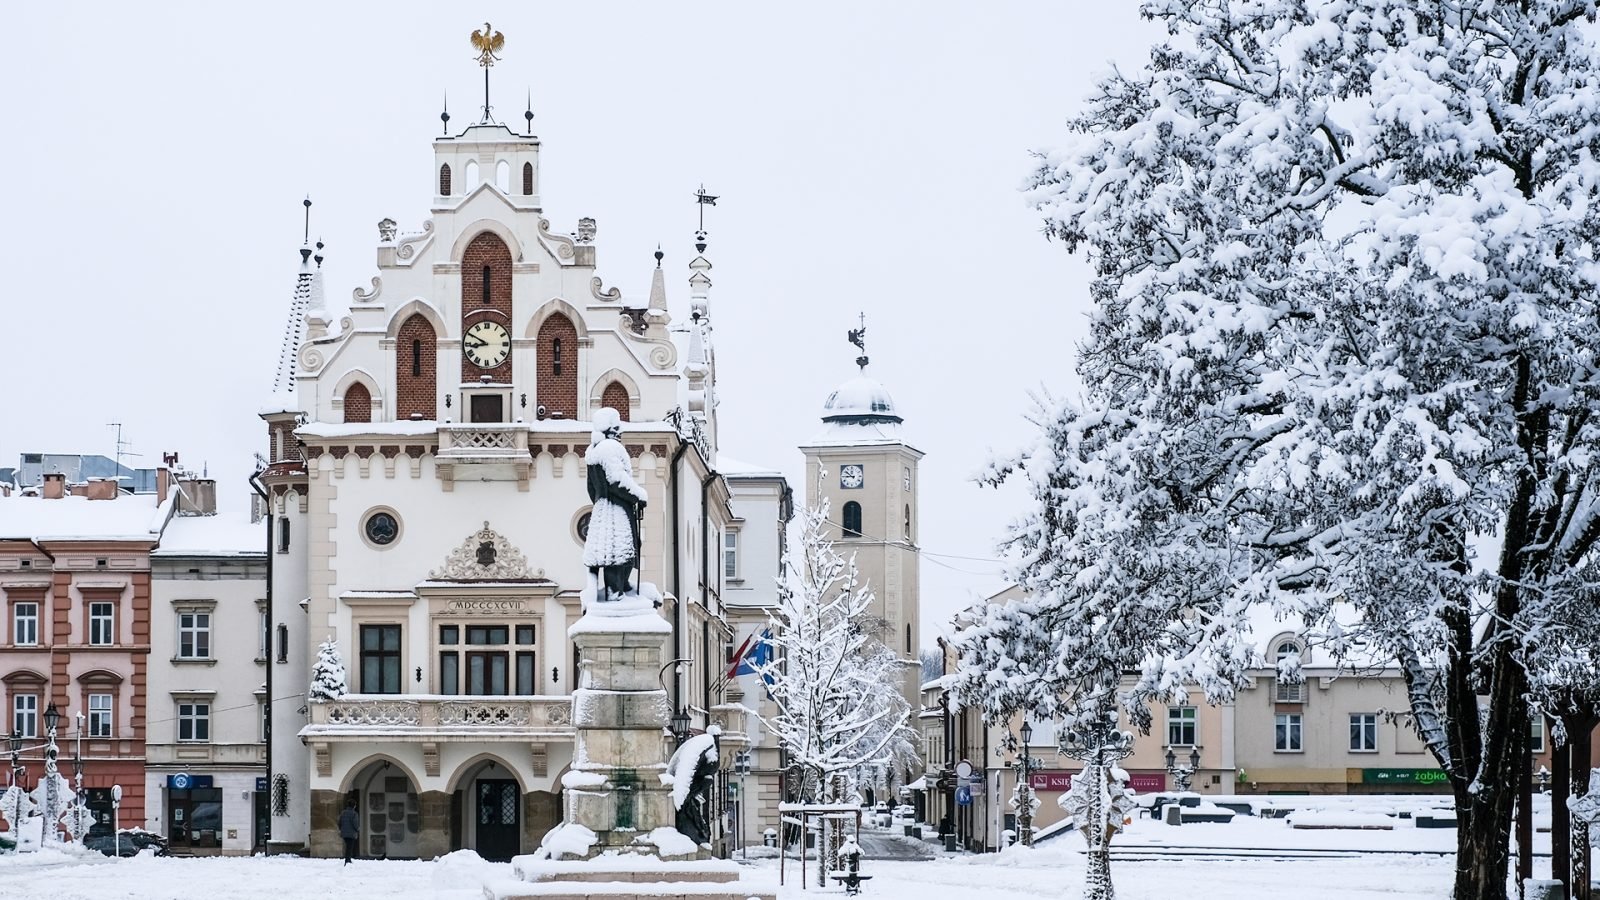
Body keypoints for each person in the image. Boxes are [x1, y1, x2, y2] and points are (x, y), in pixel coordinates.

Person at [583, 408, 648, 601]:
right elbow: (617, 480)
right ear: (609, 428)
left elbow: (590, 488)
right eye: (617, 427)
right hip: (616, 508)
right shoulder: (610, 448)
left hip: (602, 507)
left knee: (615, 550)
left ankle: (620, 585)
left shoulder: (593, 451)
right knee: (618, 550)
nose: (620, 431)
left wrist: (600, 501)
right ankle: (616, 591)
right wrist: (638, 495)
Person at [338, 798, 359, 864]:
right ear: (354, 806)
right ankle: (348, 860)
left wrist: (341, 829)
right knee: (349, 847)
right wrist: (358, 829)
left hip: (344, 833)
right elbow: (355, 823)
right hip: (351, 833)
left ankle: (348, 859)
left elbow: (339, 822)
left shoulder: (343, 813)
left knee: (348, 846)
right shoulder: (354, 813)